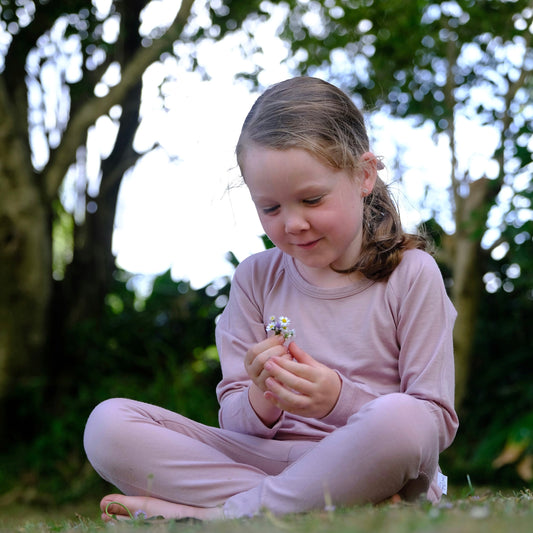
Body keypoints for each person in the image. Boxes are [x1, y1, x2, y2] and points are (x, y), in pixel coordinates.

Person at [83, 76, 458, 522]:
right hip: (263, 459)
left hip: (373, 461)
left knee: (403, 419)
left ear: (363, 175)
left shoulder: (411, 274)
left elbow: (435, 422)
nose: (293, 223)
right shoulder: (256, 278)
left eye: (311, 199)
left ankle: (217, 515)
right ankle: (317, 505)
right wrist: (262, 397)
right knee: (107, 426)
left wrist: (338, 399)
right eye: (271, 208)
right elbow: (236, 422)